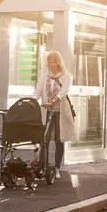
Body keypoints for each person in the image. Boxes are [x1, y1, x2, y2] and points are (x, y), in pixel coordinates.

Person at [34, 51, 76, 179]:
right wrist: (32, 101)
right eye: (50, 62)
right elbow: (38, 92)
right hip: (46, 111)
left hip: (60, 112)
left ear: (59, 62)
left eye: (54, 61)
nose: (52, 64)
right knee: (44, 139)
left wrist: (54, 100)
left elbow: (63, 93)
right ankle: (41, 166)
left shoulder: (66, 76)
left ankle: (57, 168)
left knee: (59, 140)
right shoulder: (44, 76)